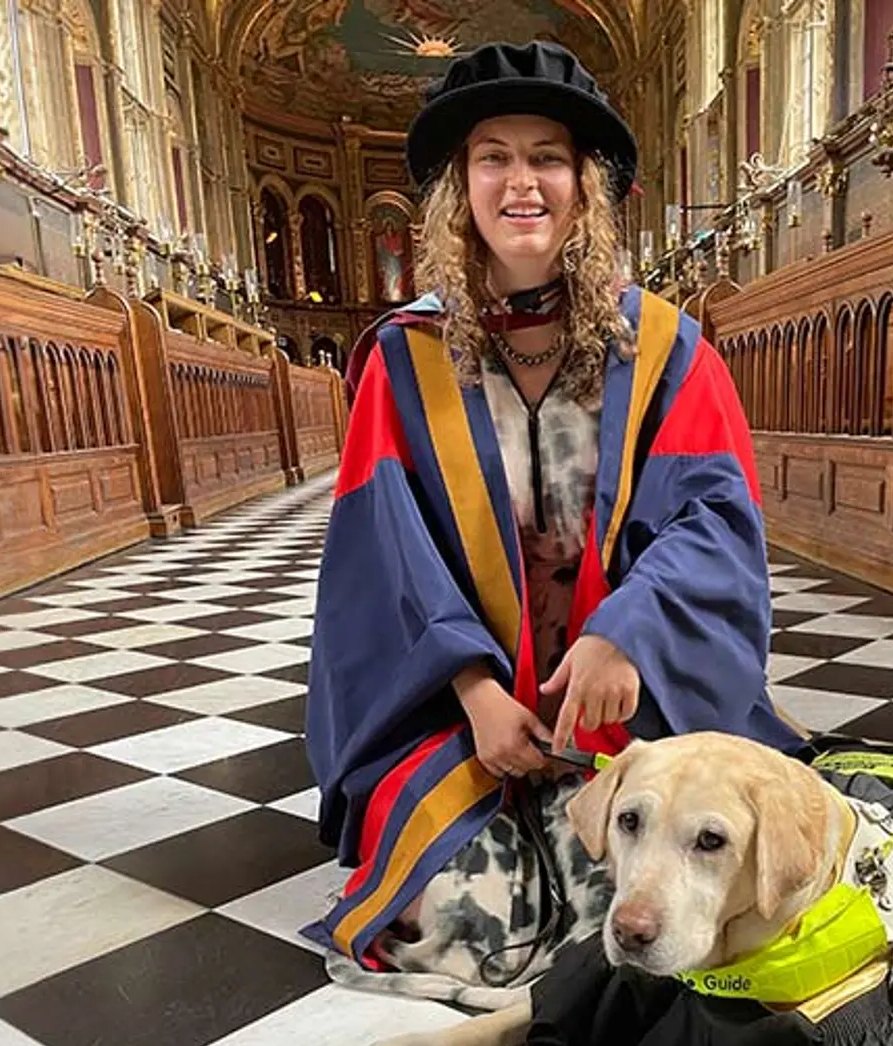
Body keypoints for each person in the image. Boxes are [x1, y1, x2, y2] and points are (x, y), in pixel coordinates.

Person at [303, 40, 807, 979]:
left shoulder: (662, 347)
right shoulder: (402, 360)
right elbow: (382, 566)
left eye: (548, 157)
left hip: (627, 691)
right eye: (494, 156)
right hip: (458, 710)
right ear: (463, 186)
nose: (521, 181)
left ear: (584, 186)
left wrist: (627, 633)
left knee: (630, 904)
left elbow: (713, 521)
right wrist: (472, 689)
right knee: (454, 920)